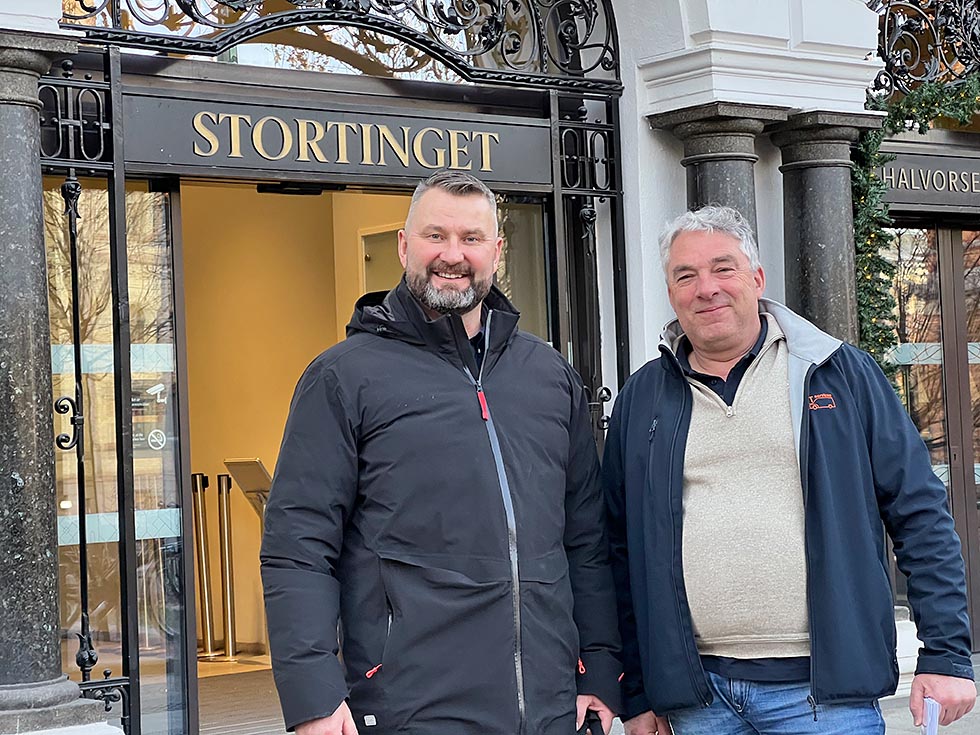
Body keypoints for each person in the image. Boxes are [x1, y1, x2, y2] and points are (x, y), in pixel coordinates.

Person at [261, 170, 621, 735]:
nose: (453, 255)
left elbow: (585, 540)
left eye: (471, 238)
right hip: (409, 709)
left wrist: (599, 669)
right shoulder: (343, 378)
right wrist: (313, 698)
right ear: (404, 246)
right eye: (436, 236)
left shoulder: (549, 375)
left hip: (550, 708)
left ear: (496, 252)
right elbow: (298, 547)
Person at [602, 205, 977, 735]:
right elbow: (619, 549)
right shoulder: (643, 397)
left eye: (723, 268)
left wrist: (946, 654)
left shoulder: (838, 373)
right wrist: (638, 691)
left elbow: (919, 515)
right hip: (697, 699)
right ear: (670, 292)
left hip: (825, 698)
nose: (706, 288)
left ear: (757, 278)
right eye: (686, 276)